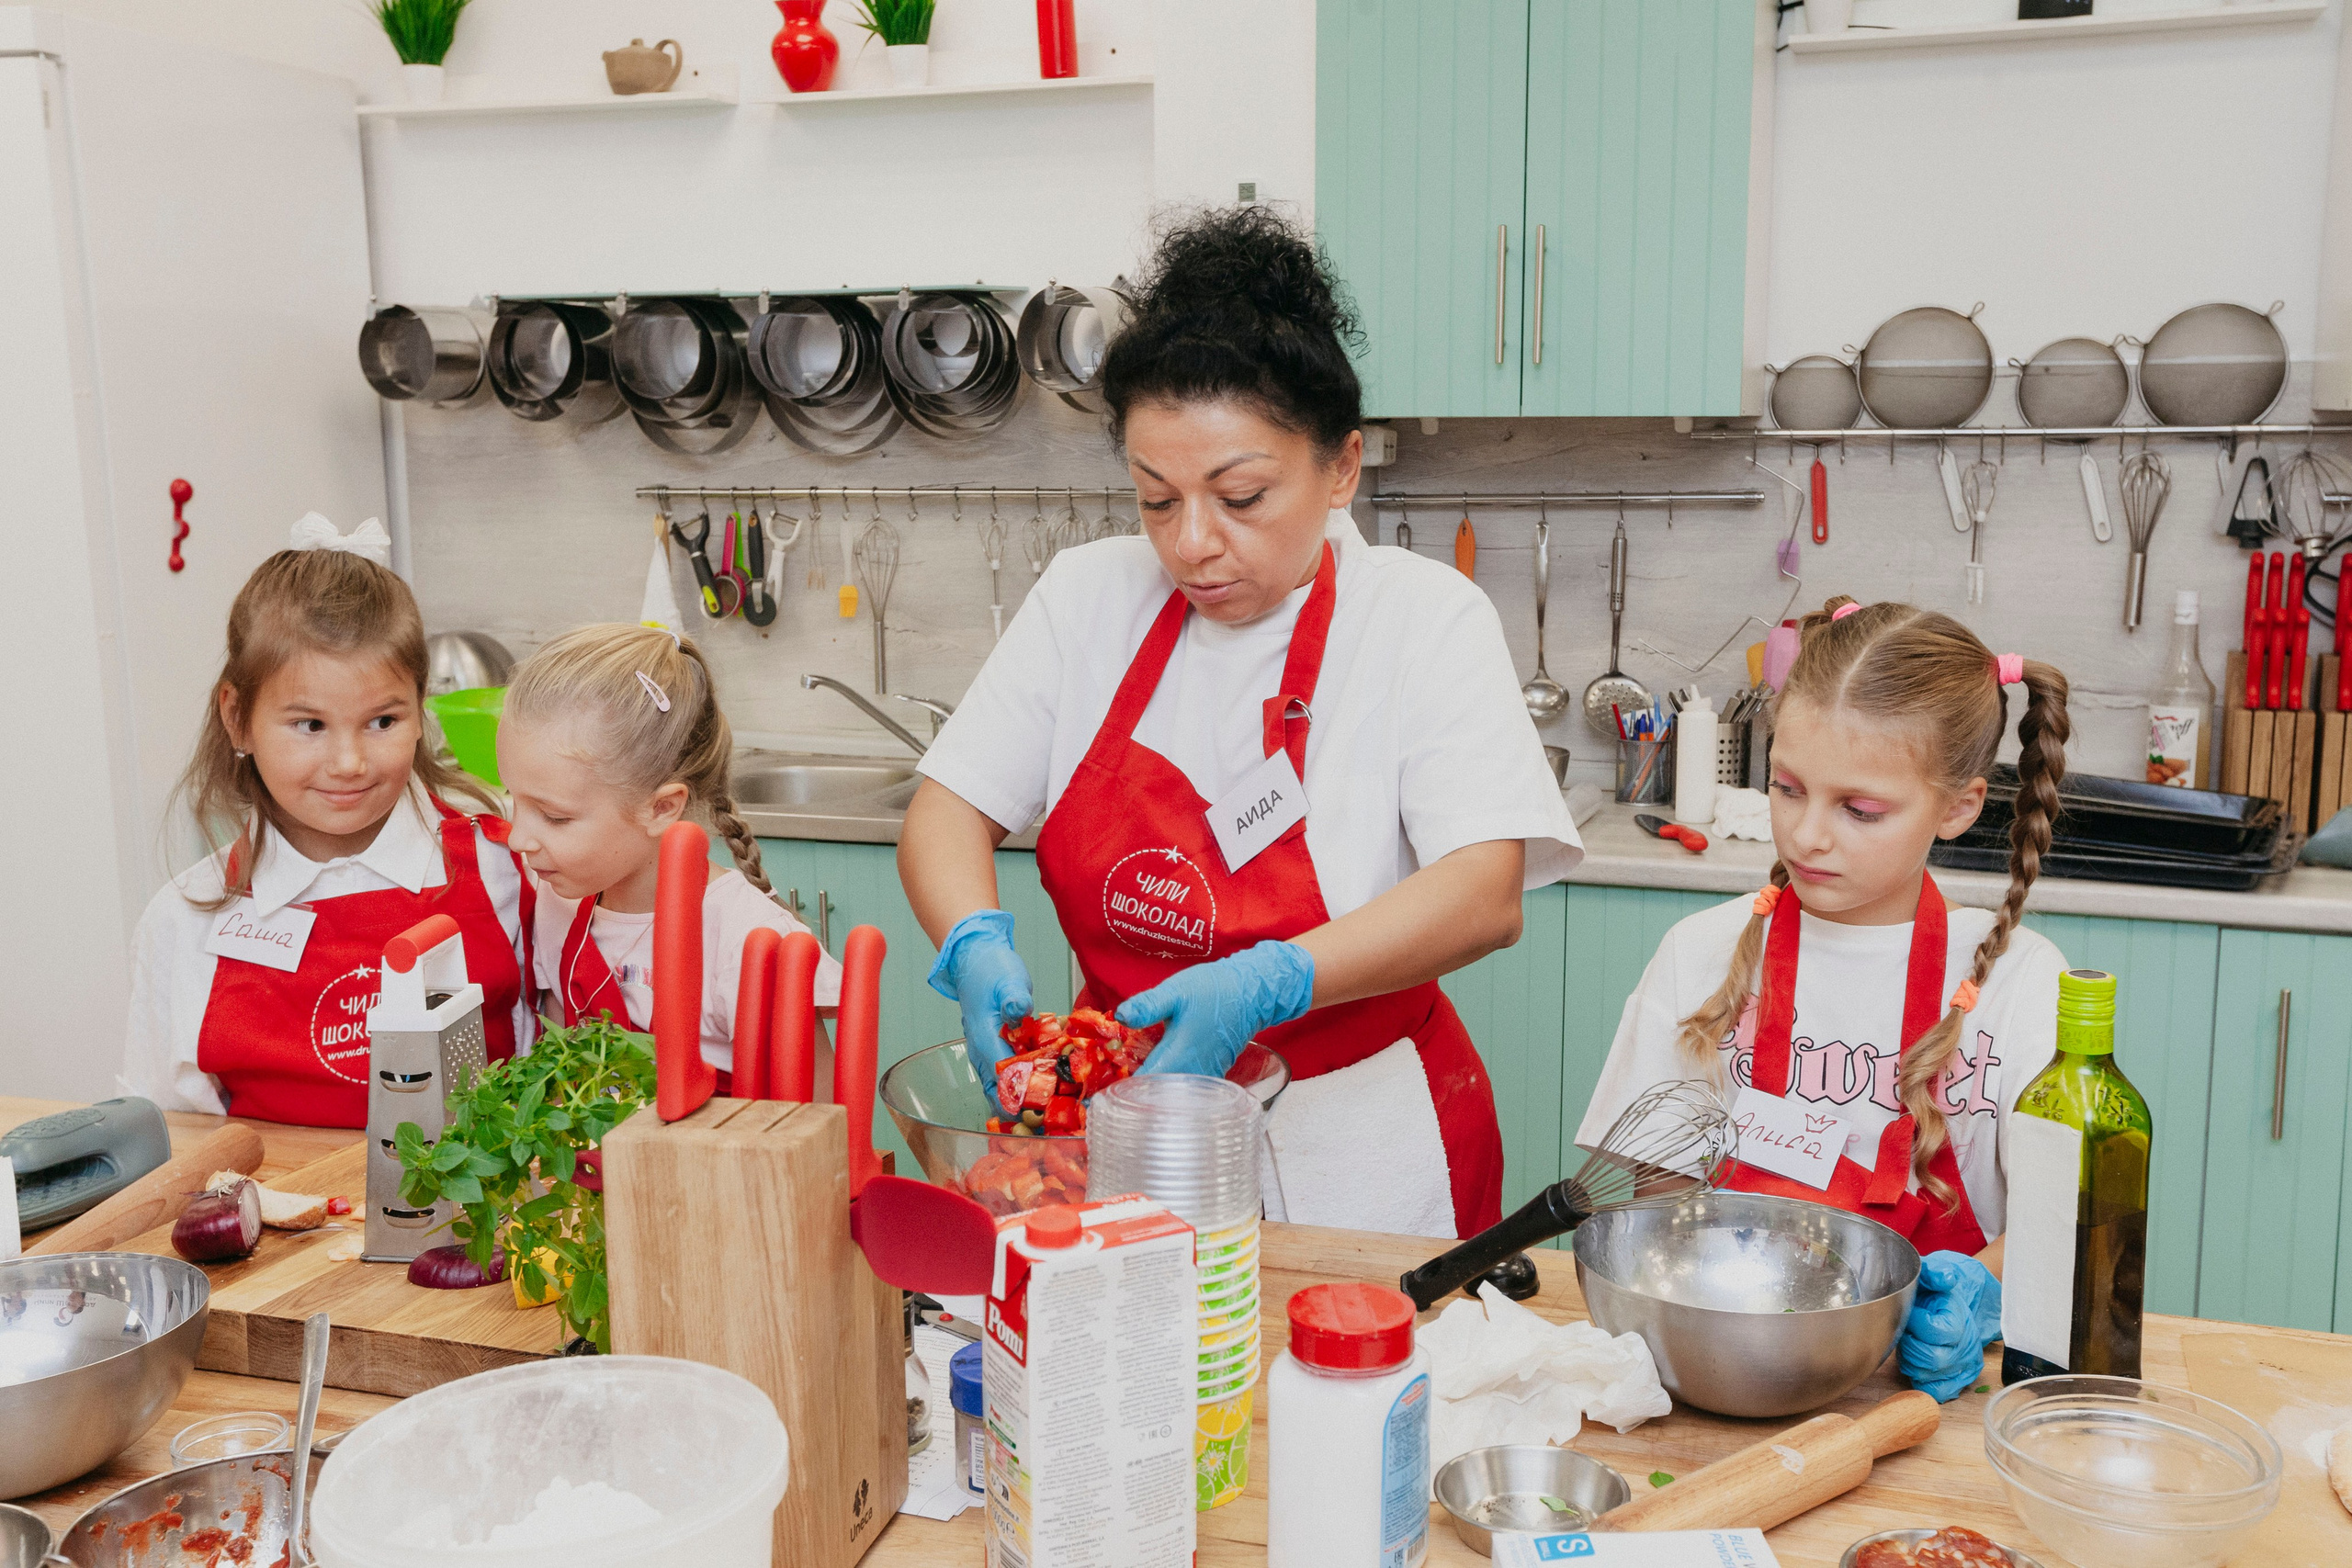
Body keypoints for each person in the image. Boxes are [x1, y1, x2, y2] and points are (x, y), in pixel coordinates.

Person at [898, 206, 1582, 1240]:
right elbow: (946, 810)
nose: (1193, 544)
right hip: (1124, 1122)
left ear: (1341, 467)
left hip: (1361, 1141)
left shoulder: (1418, 617)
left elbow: (1484, 894)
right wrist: (973, 939)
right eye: (1156, 498)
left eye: (1242, 495)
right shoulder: (1090, 596)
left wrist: (1275, 981)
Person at [1577, 596, 2075, 1401]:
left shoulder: (2020, 983)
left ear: (1959, 805)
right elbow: (1646, 1207)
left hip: (1924, 1401)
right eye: (1787, 787)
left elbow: (2061, 1228)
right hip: (1715, 1377)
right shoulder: (1700, 954)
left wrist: (1974, 1303)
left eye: (1861, 809)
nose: (1808, 834)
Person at [121, 517, 529, 1125]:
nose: (349, 762)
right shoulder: (184, 921)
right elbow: (172, 1141)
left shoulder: (508, 868)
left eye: (383, 721)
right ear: (238, 719)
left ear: (421, 711)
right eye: (310, 725)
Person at [498, 624, 839, 1089]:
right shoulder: (558, 902)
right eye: (513, 801)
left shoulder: (746, 942)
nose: (518, 839)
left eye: (554, 817)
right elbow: (560, 1068)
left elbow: (818, 1123)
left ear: (661, 808)